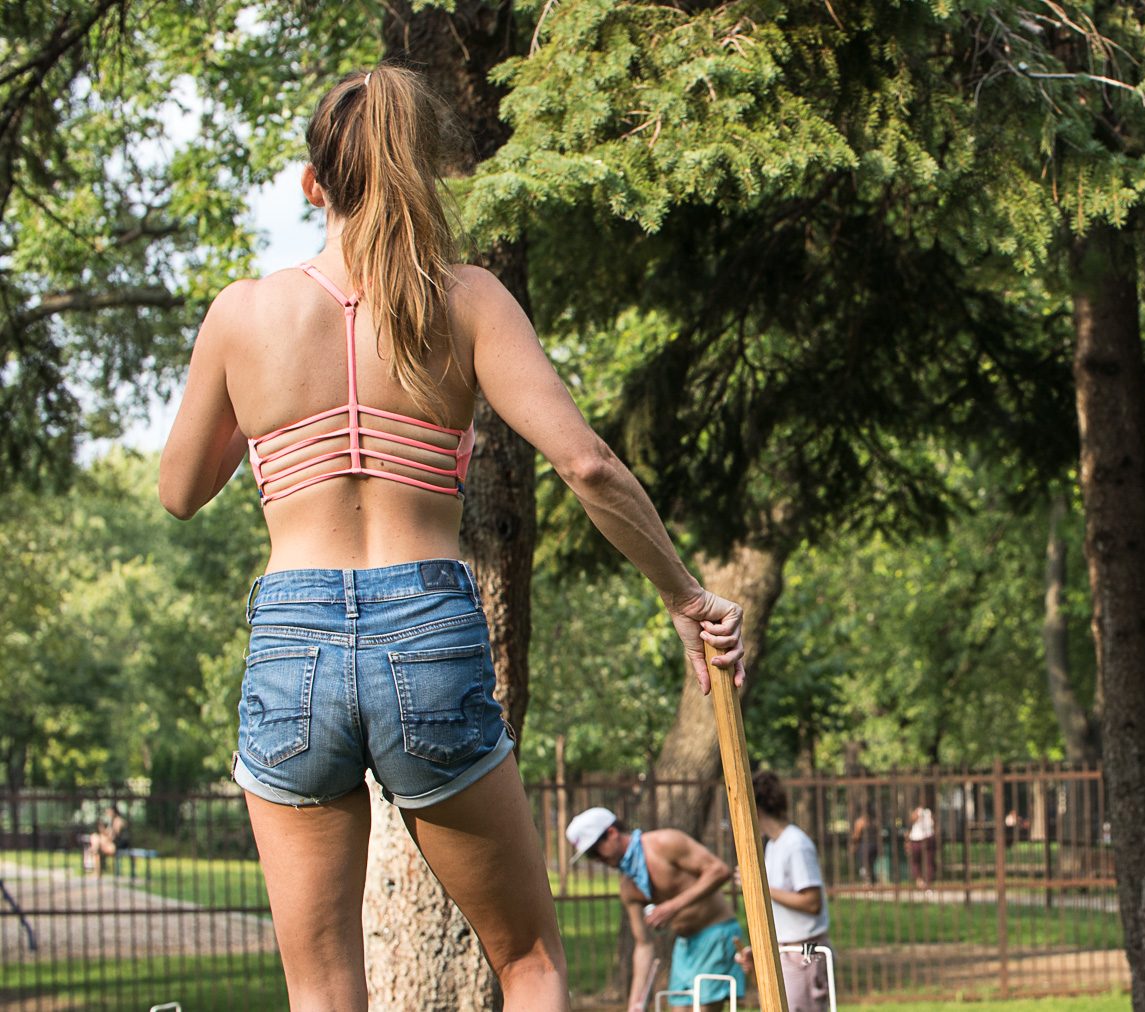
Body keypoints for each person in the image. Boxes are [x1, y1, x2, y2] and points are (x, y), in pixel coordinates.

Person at [158, 64, 746, 1011]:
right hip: (424, 624)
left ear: (314, 184)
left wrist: (271, 415)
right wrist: (685, 595)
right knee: (530, 964)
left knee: (322, 989)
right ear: (424, 177)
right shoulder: (465, 299)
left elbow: (179, 490)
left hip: (294, 635)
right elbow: (587, 464)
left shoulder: (242, 315)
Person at [567, 807, 744, 1012]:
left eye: (594, 850)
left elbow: (719, 871)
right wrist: (635, 1002)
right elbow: (643, 944)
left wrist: (672, 906)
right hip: (685, 944)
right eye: (590, 856)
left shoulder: (664, 843)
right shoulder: (628, 887)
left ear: (612, 834)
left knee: (701, 1009)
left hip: (715, 932)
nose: (597, 859)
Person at [746, 771, 832, 1012]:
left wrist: (760, 886)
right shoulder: (773, 845)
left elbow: (812, 902)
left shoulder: (796, 844)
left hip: (806, 950)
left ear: (757, 809)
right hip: (786, 948)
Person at [906, 801, 937, 890]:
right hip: (921, 839)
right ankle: (922, 882)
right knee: (920, 862)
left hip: (922, 839)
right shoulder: (924, 812)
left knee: (925, 863)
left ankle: (925, 883)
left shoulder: (926, 812)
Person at [850, 806, 879, 884]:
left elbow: (857, 836)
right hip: (874, 846)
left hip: (864, 847)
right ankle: (872, 883)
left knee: (864, 866)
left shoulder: (860, 822)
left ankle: (867, 883)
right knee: (871, 866)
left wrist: (853, 844)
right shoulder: (874, 821)